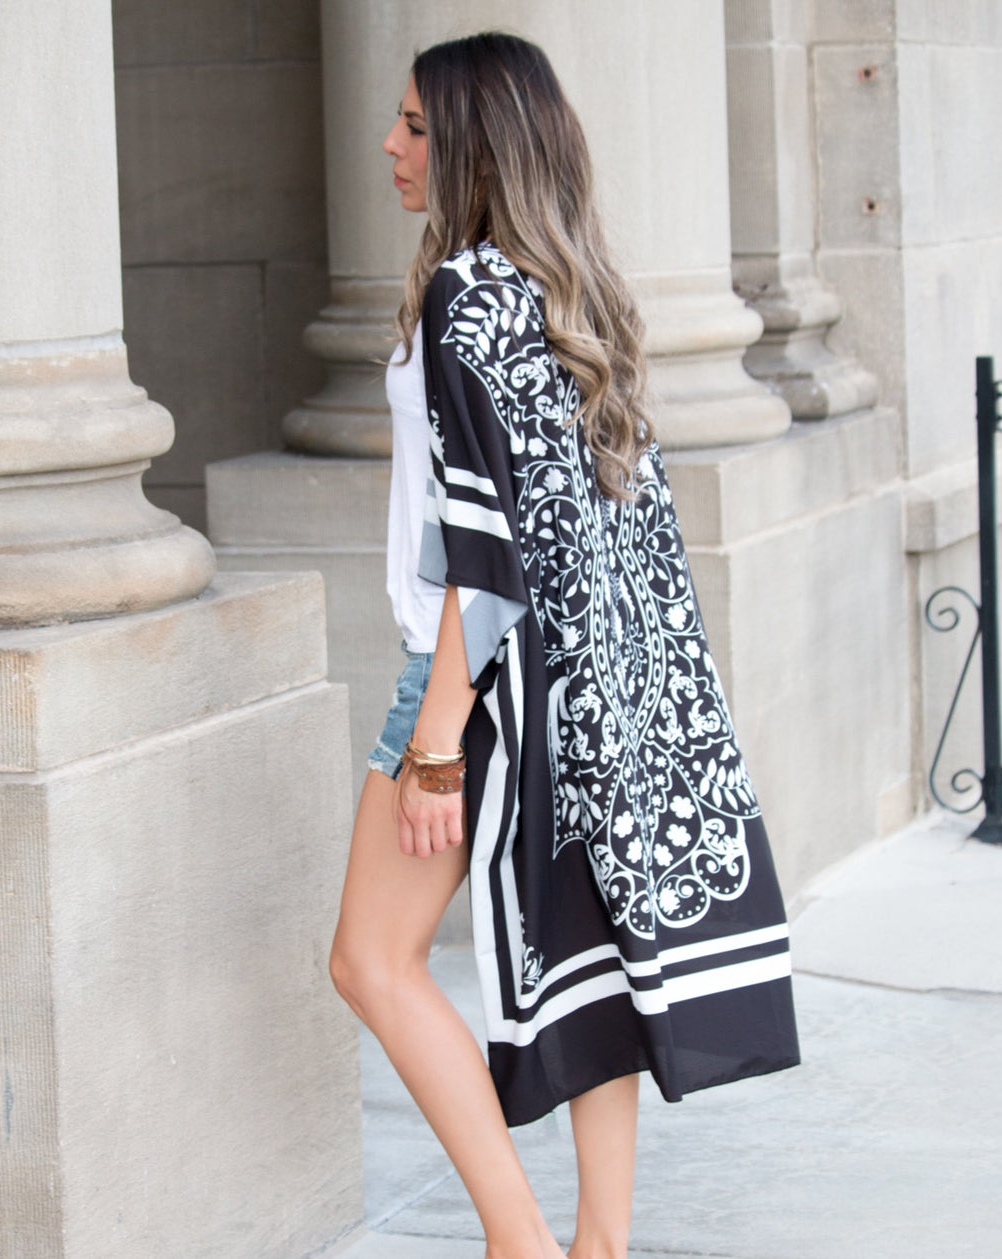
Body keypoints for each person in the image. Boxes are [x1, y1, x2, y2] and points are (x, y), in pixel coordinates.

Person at [330, 32, 800, 1259]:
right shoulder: (572, 291)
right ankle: (595, 1244)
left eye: (416, 126)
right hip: (578, 682)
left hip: (472, 678)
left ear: (476, 145)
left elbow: (482, 546)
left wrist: (437, 744)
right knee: (594, 961)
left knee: (370, 959)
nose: (389, 145)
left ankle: (519, 1240)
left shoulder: (463, 294)